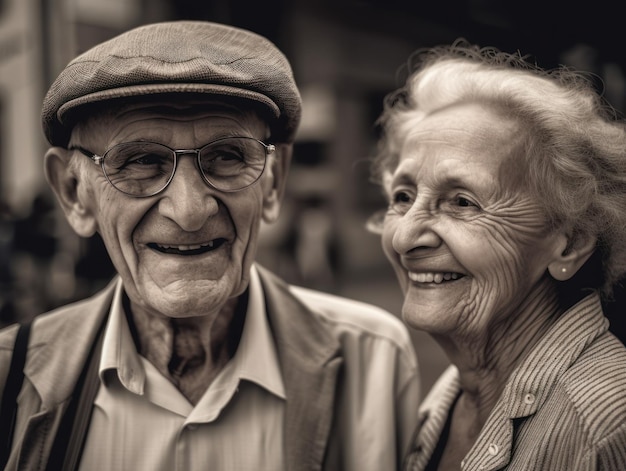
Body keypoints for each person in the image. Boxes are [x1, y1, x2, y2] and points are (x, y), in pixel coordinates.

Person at [0, 21, 420, 470]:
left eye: (227, 156)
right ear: (73, 192)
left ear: (274, 183)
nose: (189, 211)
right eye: (141, 161)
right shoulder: (11, 380)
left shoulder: (372, 362)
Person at [369, 41, 626, 470]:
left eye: (463, 202)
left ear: (571, 242)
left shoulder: (603, 428)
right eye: (403, 196)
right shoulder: (453, 393)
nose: (404, 237)